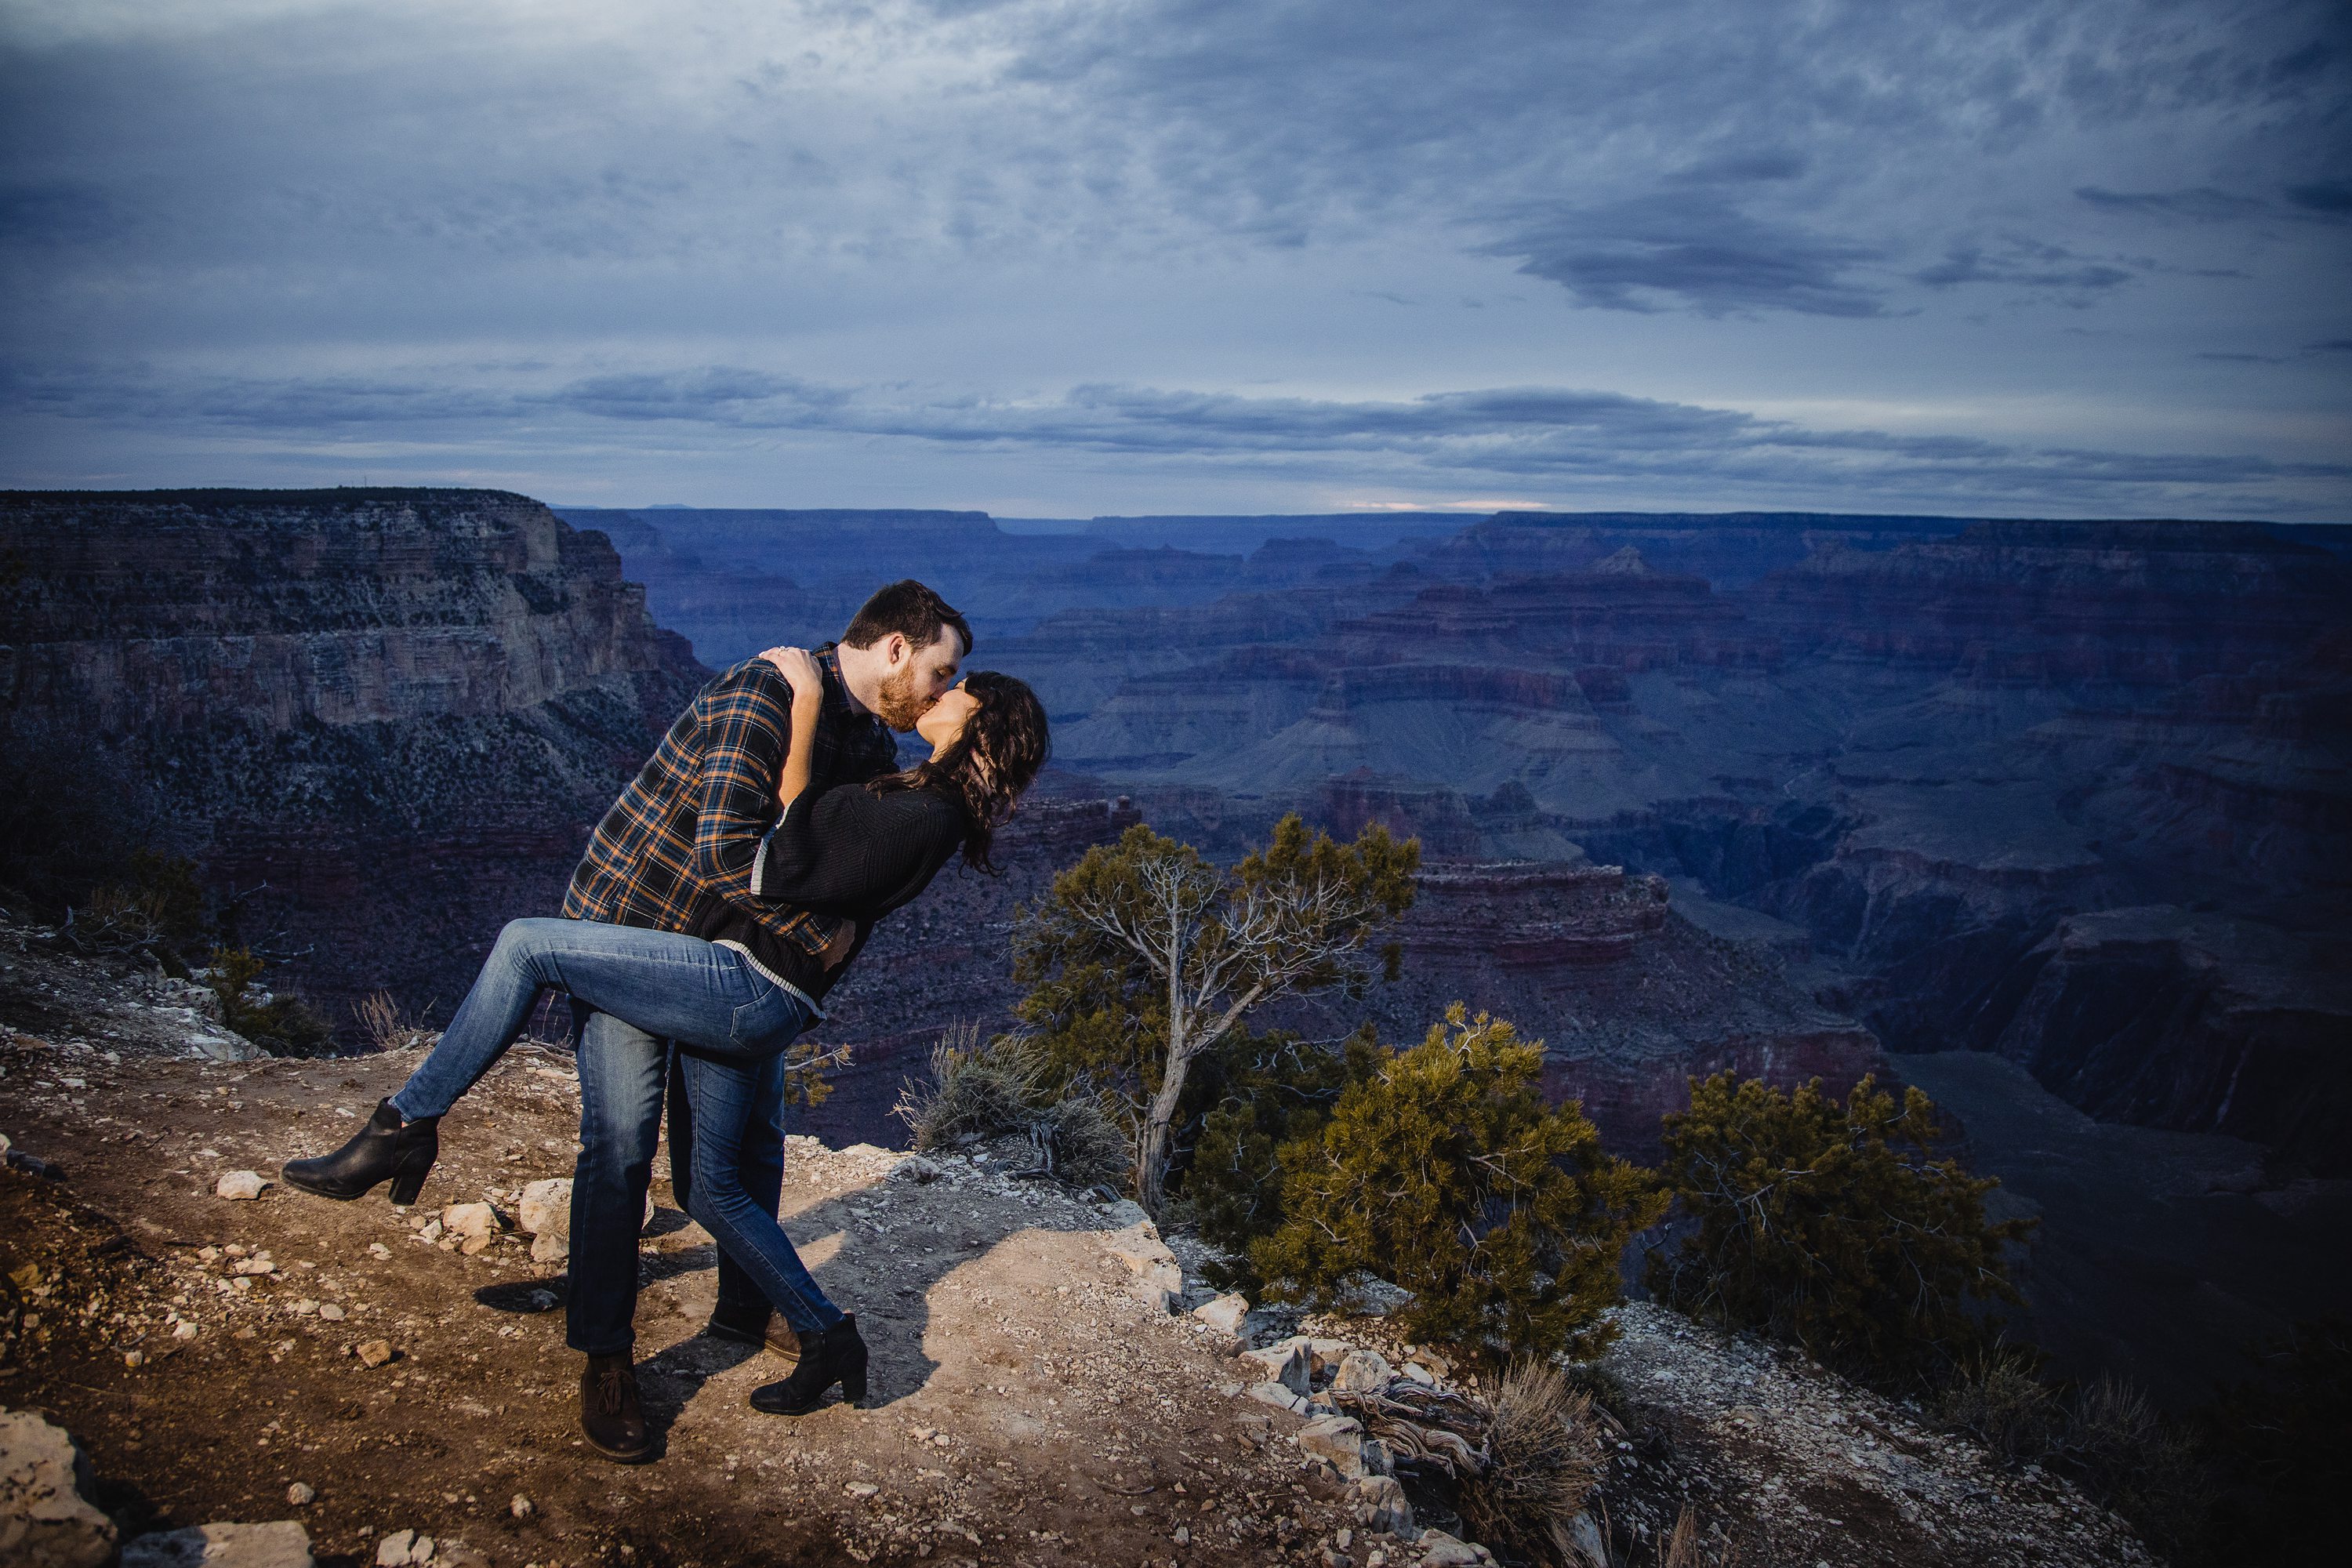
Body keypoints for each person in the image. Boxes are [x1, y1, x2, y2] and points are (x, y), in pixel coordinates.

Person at [283, 581, 980, 1460]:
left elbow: (822, 854)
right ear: (892, 648)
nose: (938, 691)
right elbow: (731, 855)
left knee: (747, 1142)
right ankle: (606, 1356)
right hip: (632, 931)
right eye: (939, 669)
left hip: (716, 955)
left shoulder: (860, 732)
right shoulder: (765, 694)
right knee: (617, 1145)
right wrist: (820, 940)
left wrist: (826, 929)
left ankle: (741, 1307)